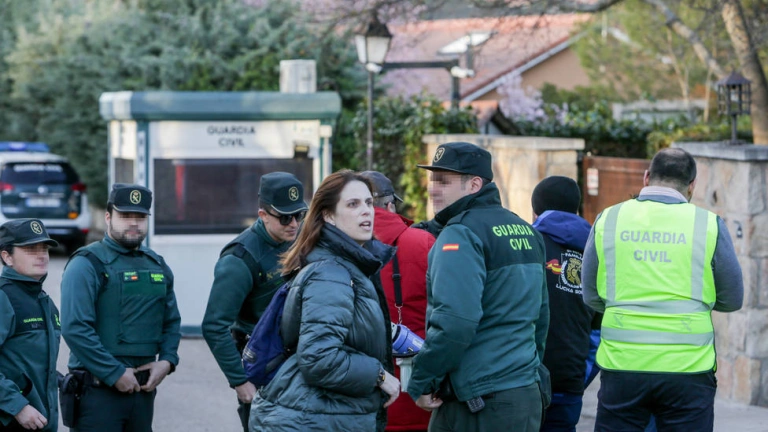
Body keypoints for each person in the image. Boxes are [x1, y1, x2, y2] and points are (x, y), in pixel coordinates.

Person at [582, 148, 744, 432]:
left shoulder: (609, 219)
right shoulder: (708, 224)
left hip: (623, 365)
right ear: (692, 185)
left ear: (647, 177)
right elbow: (732, 299)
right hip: (688, 369)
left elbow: (591, 295)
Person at [407, 142, 549, 432]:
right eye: (433, 180)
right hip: (524, 392)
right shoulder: (526, 230)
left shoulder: (460, 233)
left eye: (444, 181)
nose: (433, 190)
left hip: (478, 400)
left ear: (473, 185)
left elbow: (454, 321)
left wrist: (423, 380)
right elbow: (541, 318)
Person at [250, 169, 400, 431]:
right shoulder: (330, 273)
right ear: (329, 215)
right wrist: (379, 375)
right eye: (353, 204)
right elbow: (319, 358)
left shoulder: (346, 265)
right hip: (312, 419)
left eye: (368, 202)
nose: (366, 211)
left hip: (324, 415)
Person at [60, 183, 181, 432]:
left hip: (142, 393)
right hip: (97, 395)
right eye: (125, 216)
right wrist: (113, 373)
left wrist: (167, 361)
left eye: (140, 217)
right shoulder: (86, 264)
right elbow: (75, 329)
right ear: (108, 217)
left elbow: (170, 322)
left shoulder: (157, 265)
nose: (133, 223)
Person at [202, 172, 307, 431]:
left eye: (299, 214)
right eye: (285, 217)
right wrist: (239, 381)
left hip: (299, 363)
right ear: (263, 215)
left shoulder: (298, 237)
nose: (294, 223)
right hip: (263, 369)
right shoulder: (239, 259)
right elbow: (214, 326)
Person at [360, 170, 435, 432]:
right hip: (418, 393)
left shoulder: (337, 247)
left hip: (358, 394)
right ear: (391, 205)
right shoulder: (424, 242)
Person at [530, 176, 595, 432]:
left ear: (535, 210)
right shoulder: (595, 250)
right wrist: (581, 374)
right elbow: (600, 329)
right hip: (570, 383)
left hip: (526, 381)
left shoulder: (528, 246)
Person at [0, 219, 60, 431]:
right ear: (7, 257)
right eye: (30, 249)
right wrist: (17, 406)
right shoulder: (4, 298)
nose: (41, 255)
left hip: (41, 423)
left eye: (44, 248)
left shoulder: (45, 301)